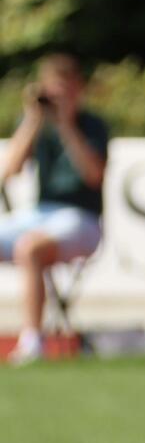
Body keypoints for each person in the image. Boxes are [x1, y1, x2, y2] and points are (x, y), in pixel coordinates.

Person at [2, 54, 109, 366]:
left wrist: (65, 124)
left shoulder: (92, 125)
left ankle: (33, 341)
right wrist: (33, 119)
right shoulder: (38, 125)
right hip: (39, 214)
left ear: (78, 89)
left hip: (82, 219)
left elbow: (93, 174)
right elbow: (9, 171)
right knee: (30, 240)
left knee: (30, 247)